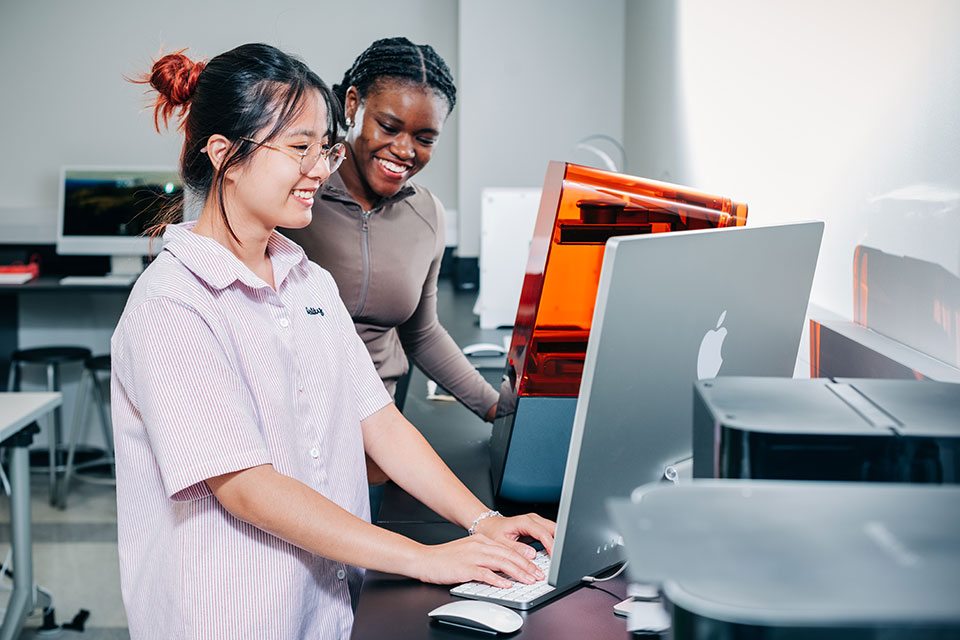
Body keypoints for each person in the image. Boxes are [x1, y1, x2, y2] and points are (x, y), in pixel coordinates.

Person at [112, 43, 554, 639]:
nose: (320, 168)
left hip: (322, 604)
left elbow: (379, 419)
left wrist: (481, 521)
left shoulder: (306, 280)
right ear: (226, 156)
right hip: (229, 614)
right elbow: (247, 487)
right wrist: (423, 557)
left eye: (324, 147)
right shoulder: (173, 304)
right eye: (299, 148)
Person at [282, 38, 499, 430]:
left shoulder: (426, 214)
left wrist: (495, 408)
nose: (404, 150)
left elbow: (422, 334)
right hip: (292, 425)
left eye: (425, 138)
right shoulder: (295, 190)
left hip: (380, 428)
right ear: (352, 105)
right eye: (388, 126)